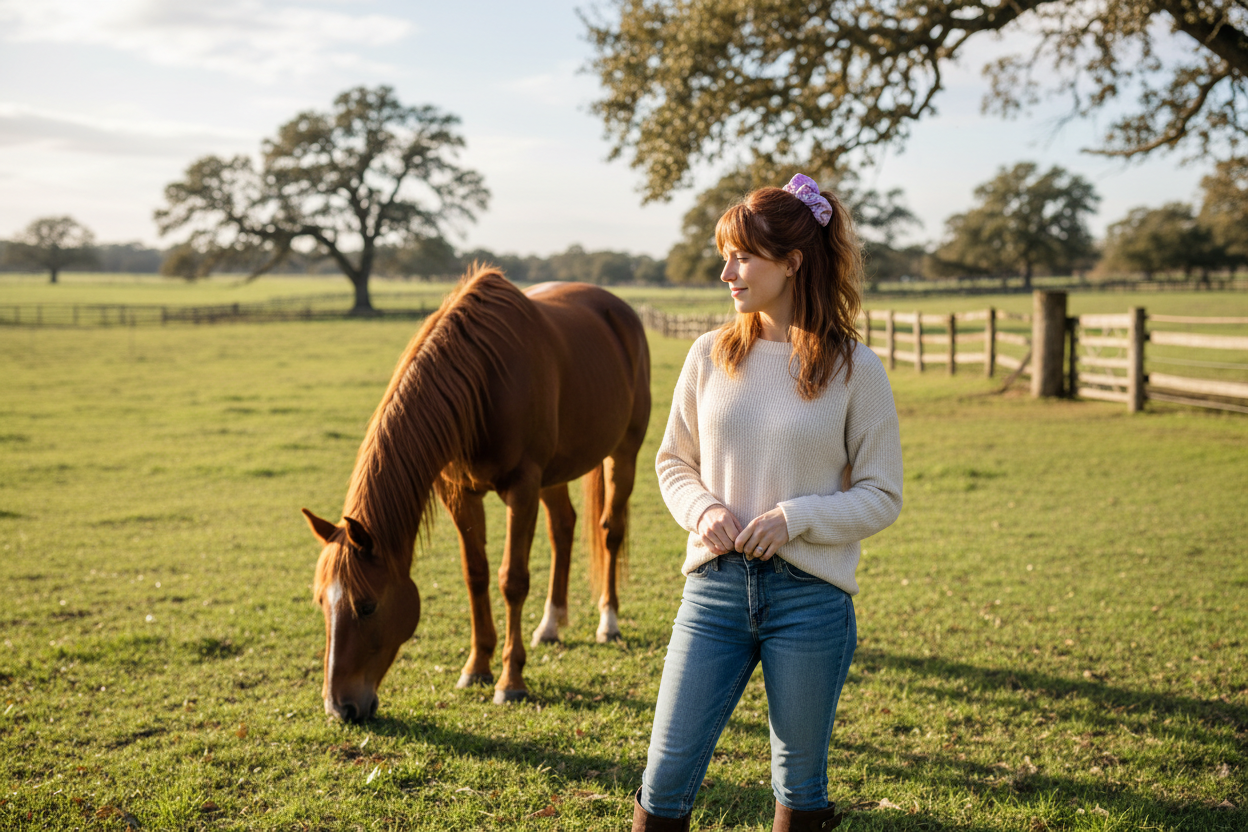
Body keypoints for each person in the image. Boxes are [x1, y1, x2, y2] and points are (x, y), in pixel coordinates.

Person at [633, 174, 904, 832]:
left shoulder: (855, 370)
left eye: (742, 256)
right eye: (725, 254)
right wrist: (702, 510)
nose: (727, 271)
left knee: (799, 787)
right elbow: (673, 461)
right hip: (714, 592)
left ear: (793, 263)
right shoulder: (708, 356)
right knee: (664, 778)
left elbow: (882, 494)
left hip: (810, 599)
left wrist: (796, 518)